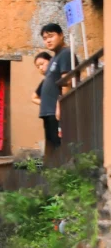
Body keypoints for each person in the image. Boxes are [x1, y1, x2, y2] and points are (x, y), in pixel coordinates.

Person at [37, 23, 74, 152]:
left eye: (51, 36)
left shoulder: (66, 53)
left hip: (56, 112)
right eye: (45, 38)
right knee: (51, 148)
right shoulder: (54, 58)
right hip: (48, 113)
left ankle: (63, 170)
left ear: (61, 35)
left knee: (59, 147)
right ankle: (48, 170)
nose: (48, 40)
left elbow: (66, 82)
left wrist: (61, 106)